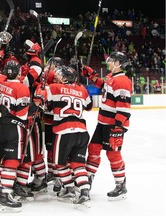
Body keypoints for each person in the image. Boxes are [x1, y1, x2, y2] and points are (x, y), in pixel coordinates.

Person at [35, 65, 93, 207]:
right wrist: (78, 90)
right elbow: (90, 106)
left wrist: (42, 85)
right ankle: (85, 191)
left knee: (59, 163)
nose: (58, 77)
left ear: (66, 77)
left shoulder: (54, 87)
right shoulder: (82, 89)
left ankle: (69, 188)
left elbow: (39, 98)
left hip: (64, 131)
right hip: (82, 132)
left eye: (61, 75)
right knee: (78, 163)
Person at [81, 51, 132, 201]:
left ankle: (121, 184)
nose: (108, 62)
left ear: (118, 63)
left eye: (112, 60)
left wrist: (118, 127)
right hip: (102, 123)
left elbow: (124, 108)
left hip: (113, 125)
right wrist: (92, 76)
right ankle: (88, 180)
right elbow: (103, 85)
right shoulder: (111, 77)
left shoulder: (122, 81)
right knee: (93, 149)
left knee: (113, 154)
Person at [0, 60, 30, 212]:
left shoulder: (0, 82)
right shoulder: (22, 88)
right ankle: (5, 195)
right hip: (14, 128)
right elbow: (23, 115)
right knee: (11, 161)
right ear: (19, 72)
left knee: (1, 159)